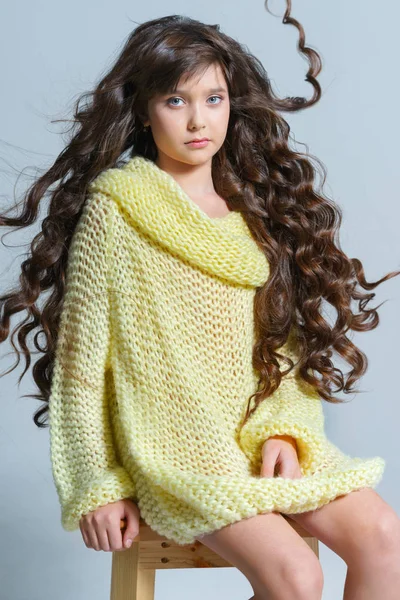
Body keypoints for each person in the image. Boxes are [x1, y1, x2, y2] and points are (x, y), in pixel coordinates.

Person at [1, 8, 400, 600]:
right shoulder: (116, 213)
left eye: (213, 99)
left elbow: (281, 351)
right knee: (296, 574)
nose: (197, 120)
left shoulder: (250, 222)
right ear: (142, 109)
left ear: (232, 104)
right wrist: (97, 484)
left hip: (257, 442)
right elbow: (81, 373)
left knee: (385, 535)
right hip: (178, 456)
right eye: (175, 101)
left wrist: (286, 434)